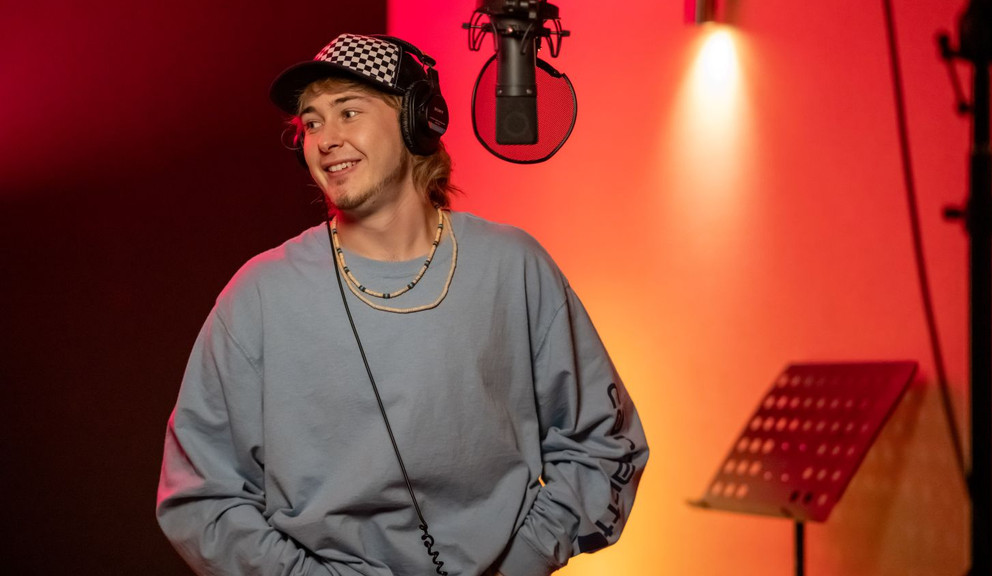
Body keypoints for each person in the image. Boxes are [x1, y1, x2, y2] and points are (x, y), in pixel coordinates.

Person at [156, 33, 648, 576]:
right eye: (312, 122)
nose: (325, 139)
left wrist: (519, 564)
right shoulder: (258, 296)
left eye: (349, 112)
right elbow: (199, 497)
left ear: (419, 120)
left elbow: (605, 447)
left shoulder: (514, 267)